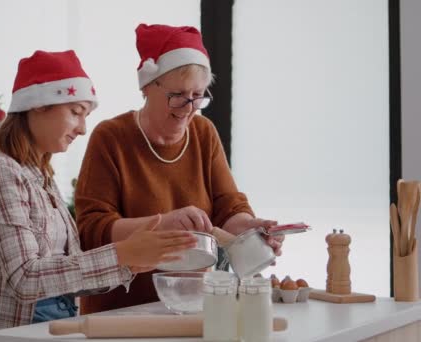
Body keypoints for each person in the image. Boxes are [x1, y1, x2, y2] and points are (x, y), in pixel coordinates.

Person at [0, 50, 197, 342]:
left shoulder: (42, 179)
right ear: (38, 105)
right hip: (14, 333)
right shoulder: (1, 172)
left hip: (51, 329)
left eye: (86, 116)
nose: (84, 129)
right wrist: (121, 254)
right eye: (76, 112)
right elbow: (25, 278)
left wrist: (132, 262)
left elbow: (67, 276)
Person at [75, 24, 285, 314]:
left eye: (198, 95)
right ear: (148, 86)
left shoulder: (203, 132)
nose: (189, 107)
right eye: (178, 95)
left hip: (193, 306)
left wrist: (248, 228)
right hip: (119, 312)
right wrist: (163, 224)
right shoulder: (111, 137)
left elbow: (227, 206)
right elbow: (91, 231)